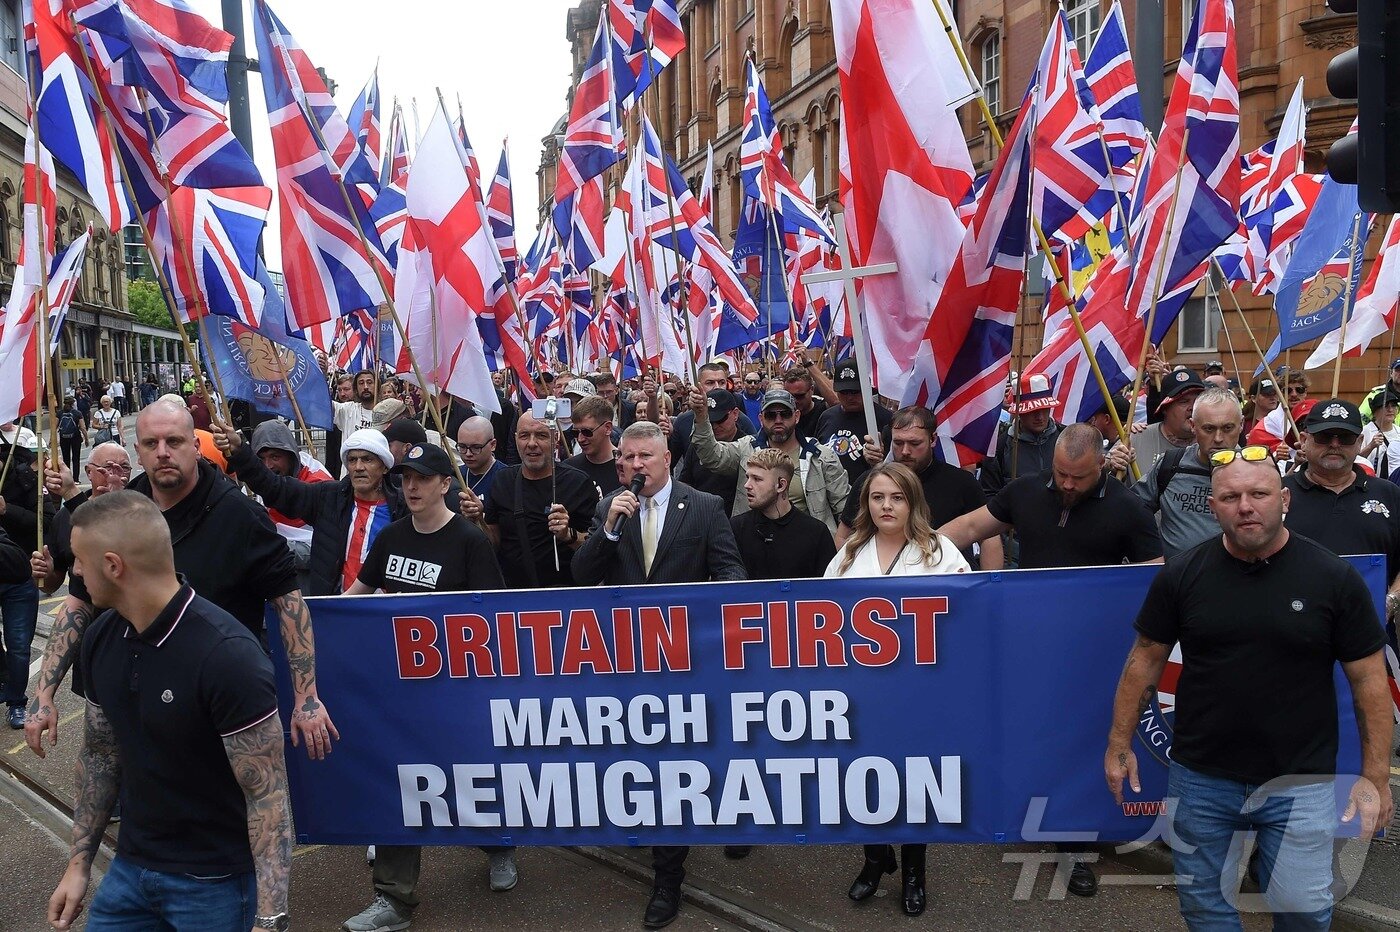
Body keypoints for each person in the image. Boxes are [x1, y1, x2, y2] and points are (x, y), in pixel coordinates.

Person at [1105, 447, 1394, 930]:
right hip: (1201, 777)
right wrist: (1118, 742)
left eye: (1258, 494)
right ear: (1213, 504)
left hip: (1300, 780)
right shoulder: (1182, 575)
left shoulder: (1332, 578)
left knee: (1304, 908)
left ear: (1284, 499)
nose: (1245, 506)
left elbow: (1369, 683)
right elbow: (1144, 661)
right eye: (1230, 496)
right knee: (1204, 907)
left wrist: (1376, 777)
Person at [26, 402, 337, 762]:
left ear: (194, 444)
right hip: (139, 700)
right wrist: (44, 693)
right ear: (137, 452)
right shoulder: (122, 514)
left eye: (173, 441)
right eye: (150, 444)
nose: (163, 453)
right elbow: (78, 603)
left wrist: (306, 697)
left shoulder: (241, 517)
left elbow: (289, 606)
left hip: (221, 708)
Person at [46, 492, 293, 932]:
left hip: (214, 884)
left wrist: (270, 918)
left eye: (80, 561)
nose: (76, 573)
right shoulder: (102, 638)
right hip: (129, 872)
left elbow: (267, 795)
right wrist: (79, 864)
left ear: (113, 565)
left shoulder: (228, 656)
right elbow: (101, 755)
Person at [941, 424, 1163, 898]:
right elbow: (967, 528)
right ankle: (1020, 816)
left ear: (1101, 466)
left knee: (1080, 743)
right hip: (1030, 642)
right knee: (1027, 731)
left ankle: (1075, 844)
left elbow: (1154, 575)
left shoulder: (1128, 508)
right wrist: (911, 559)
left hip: (1091, 651)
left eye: (1078, 478)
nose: (1066, 485)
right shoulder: (1025, 491)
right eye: (1060, 473)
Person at [571, 421, 745, 929]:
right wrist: (606, 532)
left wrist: (700, 623)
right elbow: (582, 576)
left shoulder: (706, 507)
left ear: (667, 458)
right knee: (644, 762)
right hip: (629, 664)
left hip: (689, 664)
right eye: (627, 458)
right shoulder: (611, 509)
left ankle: (669, 876)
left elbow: (732, 578)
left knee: (685, 764)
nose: (636, 466)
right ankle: (656, 838)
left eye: (645, 456)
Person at [341, 443, 513, 932]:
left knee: (470, 780)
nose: (411, 487)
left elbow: (491, 618)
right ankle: (393, 900)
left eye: (422, 478)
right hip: (399, 692)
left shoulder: (469, 542)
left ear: (445, 485)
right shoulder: (392, 537)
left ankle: (499, 845)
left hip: (455, 692)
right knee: (402, 784)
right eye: (405, 479)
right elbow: (353, 597)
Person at [827, 462, 968, 917]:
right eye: (877, 497)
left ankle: (913, 874)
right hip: (859, 695)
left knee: (914, 786)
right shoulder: (849, 552)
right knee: (863, 780)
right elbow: (823, 620)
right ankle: (874, 860)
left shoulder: (939, 551)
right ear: (866, 504)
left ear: (913, 502)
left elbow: (967, 616)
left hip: (919, 696)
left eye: (897, 497)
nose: (886, 506)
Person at [217, 423, 406, 598]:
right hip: (335, 611)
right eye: (352, 460)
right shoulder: (328, 498)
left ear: (384, 466)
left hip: (389, 615)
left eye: (367, 459)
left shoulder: (403, 508)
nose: (358, 467)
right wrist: (241, 452)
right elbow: (275, 488)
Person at [1282, 399, 1400, 650]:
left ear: (1359, 442)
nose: (1334, 445)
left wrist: (1391, 600)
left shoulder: (1389, 494)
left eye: (1345, 437)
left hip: (1372, 637)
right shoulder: (1276, 493)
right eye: (1324, 437)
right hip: (1290, 641)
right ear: (1304, 439)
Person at [838, 406, 1001, 569]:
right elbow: (844, 536)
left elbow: (989, 537)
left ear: (933, 439)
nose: (905, 451)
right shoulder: (871, 482)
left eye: (915, 443)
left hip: (949, 582)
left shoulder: (962, 482)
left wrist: (989, 587)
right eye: (898, 443)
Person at [690, 387, 849, 532]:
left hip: (809, 545)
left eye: (785, 414)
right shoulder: (746, 448)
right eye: (771, 415)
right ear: (761, 418)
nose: (778, 420)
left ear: (797, 416)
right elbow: (711, 456)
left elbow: (844, 508)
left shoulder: (821, 456)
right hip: (755, 543)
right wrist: (702, 417)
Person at [483, 411, 599, 588]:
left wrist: (568, 535)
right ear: (515, 439)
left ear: (556, 438)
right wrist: (476, 519)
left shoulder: (578, 483)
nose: (531, 443)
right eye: (524, 436)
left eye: (541, 435)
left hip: (566, 597)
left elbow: (596, 549)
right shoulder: (502, 480)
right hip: (514, 597)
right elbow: (493, 542)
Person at [1132, 388, 1241, 558]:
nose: (1219, 438)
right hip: (1176, 579)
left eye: (1227, 428)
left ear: (1241, 425)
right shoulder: (1171, 465)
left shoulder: (1256, 469)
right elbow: (1132, 510)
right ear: (1193, 426)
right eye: (1209, 429)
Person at [0, 431, 53, 728]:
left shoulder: (26, 477)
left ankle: (17, 701)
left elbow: (46, 521)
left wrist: (8, 510)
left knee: (19, 644)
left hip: (21, 577)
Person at [247, 421, 334, 593]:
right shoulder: (255, 484)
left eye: (275, 457)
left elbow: (328, 550)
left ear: (291, 456)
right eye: (261, 459)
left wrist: (272, 549)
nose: (268, 466)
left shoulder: (319, 486)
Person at [730, 449, 837, 581]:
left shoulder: (816, 532)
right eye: (748, 477)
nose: (747, 485)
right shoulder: (736, 528)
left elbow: (829, 588)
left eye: (757, 479)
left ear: (781, 485)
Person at [979, 372, 1062, 499]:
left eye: (1044, 409)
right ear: (1019, 412)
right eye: (1032, 411)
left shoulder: (1066, 439)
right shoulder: (999, 447)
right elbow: (990, 495)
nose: (1039, 417)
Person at [815, 357, 892, 487]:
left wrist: (881, 460)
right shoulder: (827, 417)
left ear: (866, 388)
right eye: (844, 392)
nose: (850, 397)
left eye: (855, 391)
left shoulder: (885, 419)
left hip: (868, 492)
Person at [1112, 368, 1204, 474]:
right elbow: (1101, 472)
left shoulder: (1214, 440)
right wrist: (1112, 465)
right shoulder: (1135, 438)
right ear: (1165, 408)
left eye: (1198, 401)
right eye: (1184, 401)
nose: (1192, 407)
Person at [676, 389, 749, 514]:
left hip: (735, 521)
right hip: (701, 517)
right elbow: (685, 483)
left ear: (735, 414)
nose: (715, 426)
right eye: (710, 421)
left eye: (720, 420)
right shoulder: (697, 446)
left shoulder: (748, 447)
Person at [668, 362, 755, 462]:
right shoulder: (684, 421)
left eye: (722, 382)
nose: (717, 387)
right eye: (710, 383)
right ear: (698, 385)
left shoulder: (740, 419)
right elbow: (669, 464)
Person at [563, 395, 622, 495]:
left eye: (587, 432)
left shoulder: (625, 468)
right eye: (576, 433)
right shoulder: (568, 469)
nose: (580, 439)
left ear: (607, 428)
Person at [456, 415, 509, 522]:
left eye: (476, 448)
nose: (468, 453)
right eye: (462, 447)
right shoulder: (455, 475)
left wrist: (480, 518)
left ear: (493, 445)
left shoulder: (506, 479)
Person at [780, 364, 830, 440]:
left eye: (800, 396)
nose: (795, 401)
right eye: (790, 396)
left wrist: (808, 363)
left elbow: (836, 402)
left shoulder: (823, 409)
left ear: (811, 390)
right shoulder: (780, 413)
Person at [1361, 390, 1400, 477]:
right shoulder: (1365, 432)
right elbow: (1355, 460)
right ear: (1375, 411)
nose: (1390, 410)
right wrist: (1370, 446)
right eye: (1385, 406)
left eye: (1393, 406)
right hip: (1372, 483)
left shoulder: (1398, 432)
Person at [1360, 357, 1400, 423]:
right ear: (1391, 373)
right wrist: (1371, 432)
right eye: (1398, 370)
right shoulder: (1377, 394)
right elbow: (1362, 418)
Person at [56, 396, 85, 471]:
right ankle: (76, 479)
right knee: (76, 458)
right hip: (76, 437)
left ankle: (67, 476)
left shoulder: (59, 413)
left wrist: (51, 439)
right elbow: (83, 427)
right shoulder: (77, 413)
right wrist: (86, 438)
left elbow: (54, 426)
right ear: (73, 403)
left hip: (63, 438)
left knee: (66, 458)